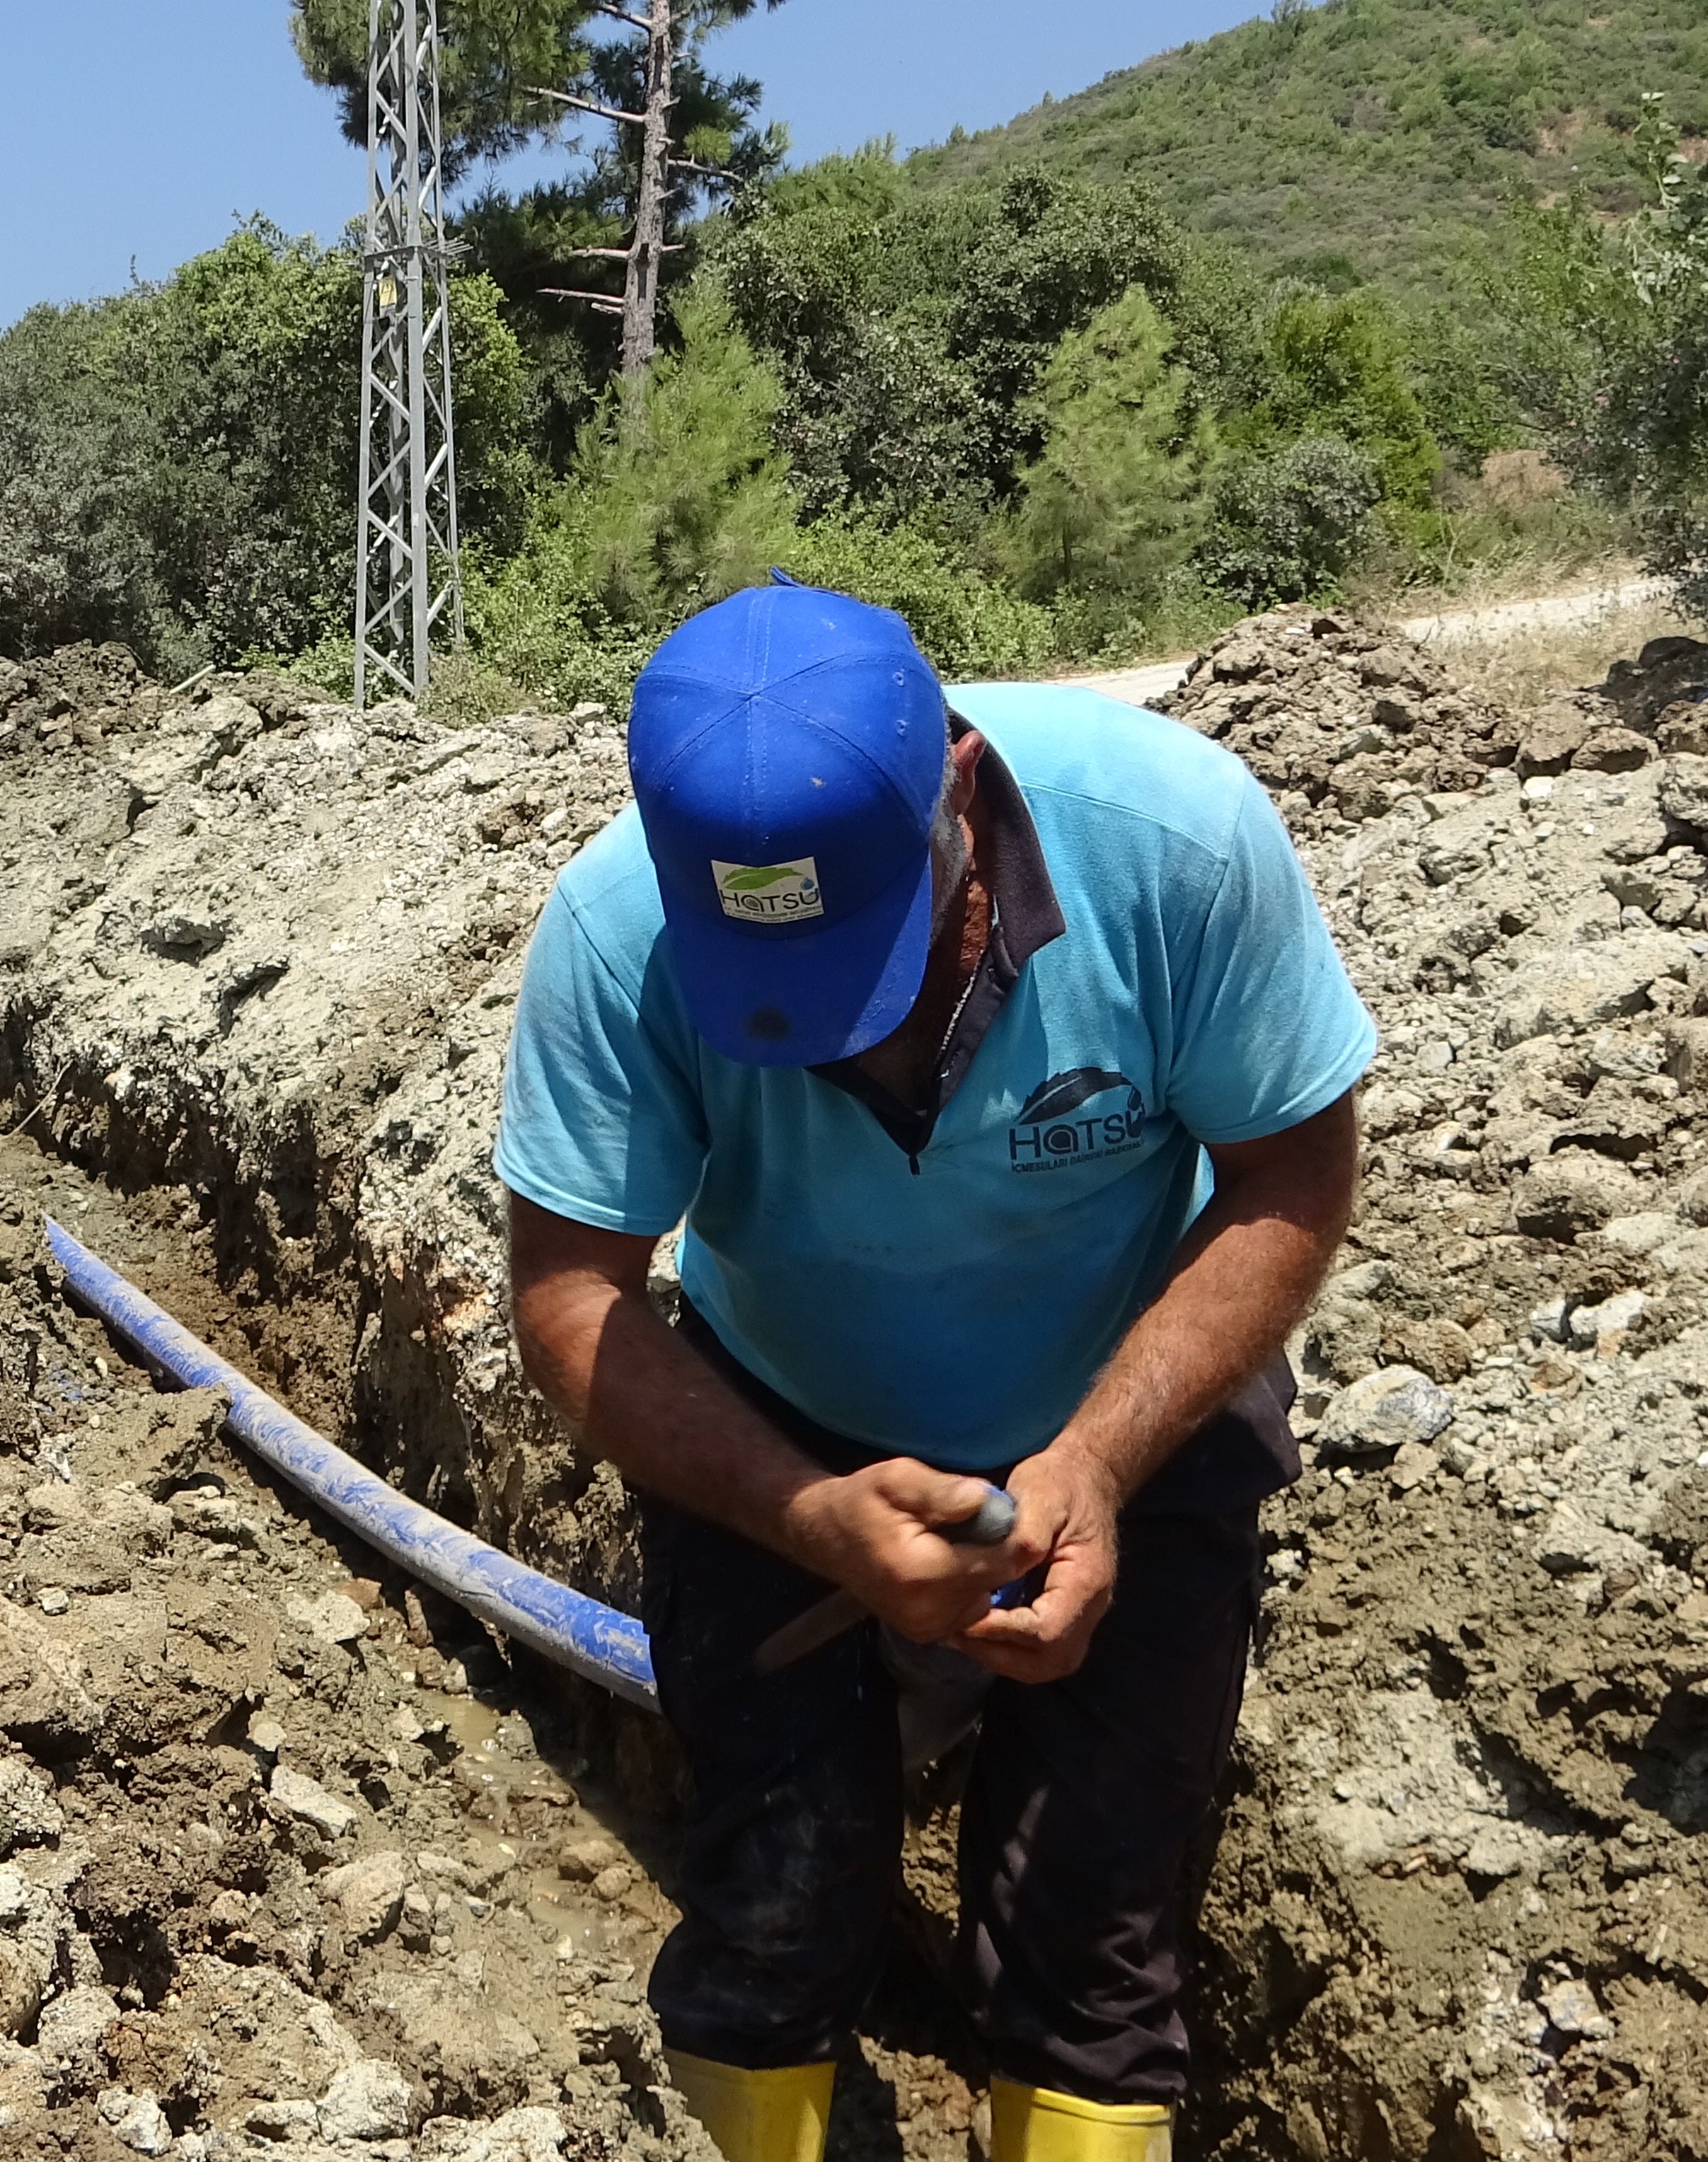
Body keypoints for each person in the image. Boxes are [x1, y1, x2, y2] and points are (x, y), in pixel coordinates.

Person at [494, 579, 1372, 2162]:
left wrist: (1097, 1458)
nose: (847, 1043)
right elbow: (568, 1290)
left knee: (1089, 1918)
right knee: (778, 1893)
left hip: (1133, 1408)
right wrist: (800, 1509)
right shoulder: (616, 931)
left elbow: (1287, 1172)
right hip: (784, 1422)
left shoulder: (1170, 843)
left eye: (871, 963)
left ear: (957, 790)